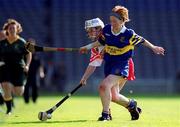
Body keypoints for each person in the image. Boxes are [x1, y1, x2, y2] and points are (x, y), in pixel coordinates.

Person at [80, 5, 165, 121]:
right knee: (114, 96)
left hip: (122, 64)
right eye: (110, 21)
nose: (112, 24)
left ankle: (106, 115)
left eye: (115, 21)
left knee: (103, 86)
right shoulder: (107, 30)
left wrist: (154, 47)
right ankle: (131, 105)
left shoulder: (129, 34)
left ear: (122, 21)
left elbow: (142, 40)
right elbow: (100, 41)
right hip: (110, 63)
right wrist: (88, 47)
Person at [0, 19, 32, 114]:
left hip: (19, 69)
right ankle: (9, 109)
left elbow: (28, 54)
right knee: (6, 87)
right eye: (10, 28)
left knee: (19, 92)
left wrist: (27, 65)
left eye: (14, 28)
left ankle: (16, 87)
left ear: (17, 29)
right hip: (5, 68)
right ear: (7, 30)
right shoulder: (2, 43)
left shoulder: (22, 42)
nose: (12, 30)